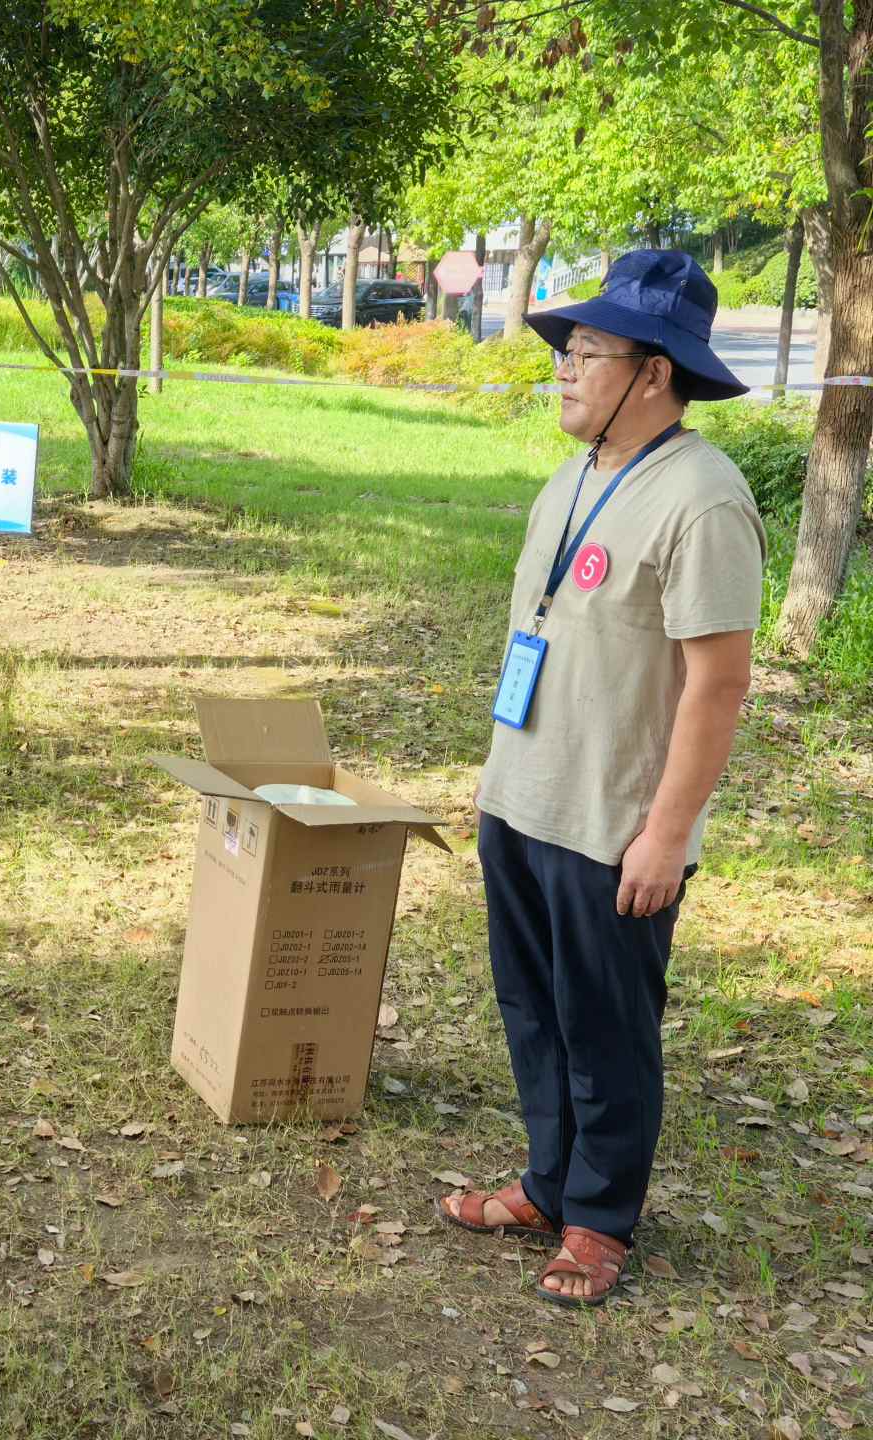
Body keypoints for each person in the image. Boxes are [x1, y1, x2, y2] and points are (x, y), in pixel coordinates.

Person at [438, 251, 763, 1307]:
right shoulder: (572, 477)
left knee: (607, 1029)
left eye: (587, 352)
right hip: (525, 800)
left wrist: (665, 834)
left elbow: (718, 684)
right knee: (534, 1011)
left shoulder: (703, 499)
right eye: (565, 351)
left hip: (614, 824)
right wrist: (496, 781)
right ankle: (547, 1184)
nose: (564, 370)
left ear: (655, 372)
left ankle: (600, 1220)